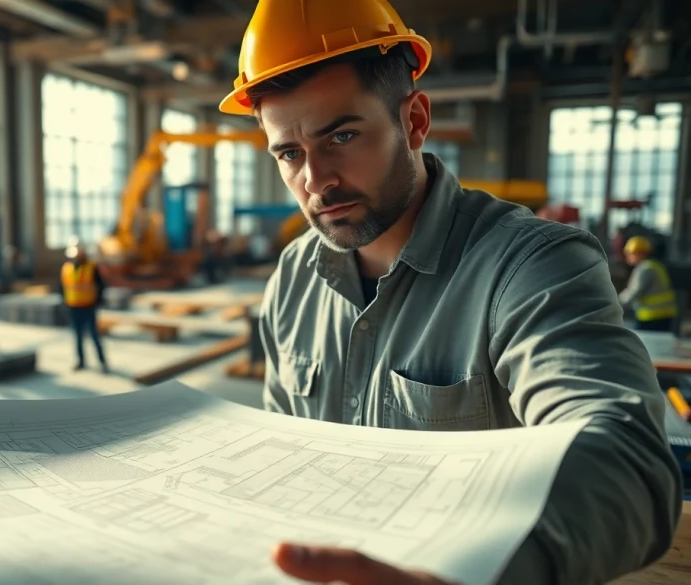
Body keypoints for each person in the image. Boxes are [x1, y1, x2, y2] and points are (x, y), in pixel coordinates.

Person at [220, 1, 682, 584]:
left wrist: (477, 572)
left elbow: (626, 461)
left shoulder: (531, 265)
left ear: (413, 121)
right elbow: (285, 454)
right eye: (289, 153)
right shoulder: (293, 278)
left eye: (341, 135)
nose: (315, 180)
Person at [60, 238, 108, 372]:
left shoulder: (91, 267)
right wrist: (65, 304)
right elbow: (62, 288)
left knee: (94, 336)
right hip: (73, 308)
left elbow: (101, 286)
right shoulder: (66, 268)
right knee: (78, 337)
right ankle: (80, 361)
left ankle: (102, 361)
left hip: (88, 307)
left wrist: (97, 302)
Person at [618, 236, 677, 332]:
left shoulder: (645, 269)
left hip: (651, 316)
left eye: (630, 253)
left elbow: (634, 292)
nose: (627, 256)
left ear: (640, 253)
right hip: (665, 315)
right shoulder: (656, 265)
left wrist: (615, 304)